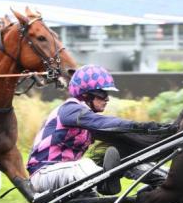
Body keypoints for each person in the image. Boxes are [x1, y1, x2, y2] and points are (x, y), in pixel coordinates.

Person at [26, 65, 174, 195]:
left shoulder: (87, 118)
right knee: (84, 165)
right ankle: (104, 184)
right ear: (85, 94)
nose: (107, 99)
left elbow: (123, 135)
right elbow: (106, 123)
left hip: (67, 172)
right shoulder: (70, 110)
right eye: (103, 93)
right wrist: (146, 126)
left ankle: (165, 178)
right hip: (43, 175)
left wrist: (161, 133)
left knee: (126, 159)